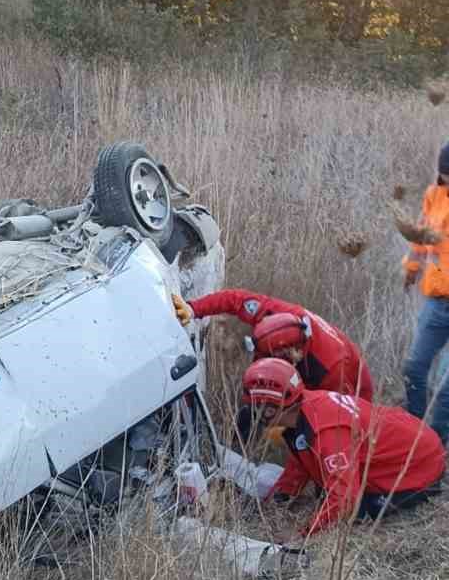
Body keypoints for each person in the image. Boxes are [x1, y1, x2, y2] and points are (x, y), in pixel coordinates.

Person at [240, 357, 445, 537]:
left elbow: (343, 500)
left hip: (420, 466)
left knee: (355, 509)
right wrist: (277, 499)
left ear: (270, 409)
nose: (254, 412)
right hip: (413, 438)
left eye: (257, 406)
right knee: (325, 488)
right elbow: (301, 461)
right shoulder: (307, 405)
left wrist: (305, 533)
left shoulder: (326, 432)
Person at [172, 287, 373, 400]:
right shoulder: (275, 314)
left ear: (291, 355)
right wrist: (193, 309)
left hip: (353, 391)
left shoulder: (330, 368)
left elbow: (328, 411)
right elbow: (234, 299)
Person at [402, 139, 449, 442]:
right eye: (445, 174)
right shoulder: (434, 195)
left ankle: (436, 445)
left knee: (447, 388)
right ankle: (411, 433)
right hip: (437, 301)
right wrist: (411, 269)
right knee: (414, 368)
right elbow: (420, 237)